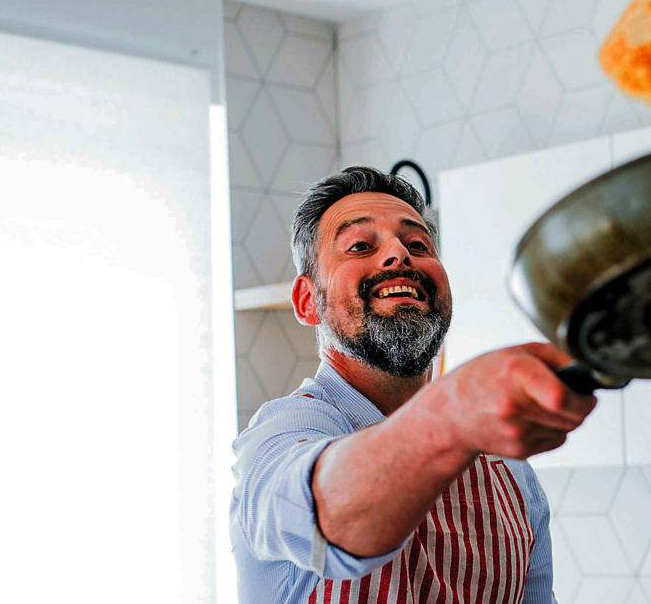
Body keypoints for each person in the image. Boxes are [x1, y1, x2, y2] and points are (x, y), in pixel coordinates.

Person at [230, 166, 597, 604]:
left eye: (418, 244)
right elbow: (329, 513)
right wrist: (454, 413)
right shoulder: (278, 437)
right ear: (308, 301)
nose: (398, 255)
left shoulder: (512, 476)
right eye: (360, 246)